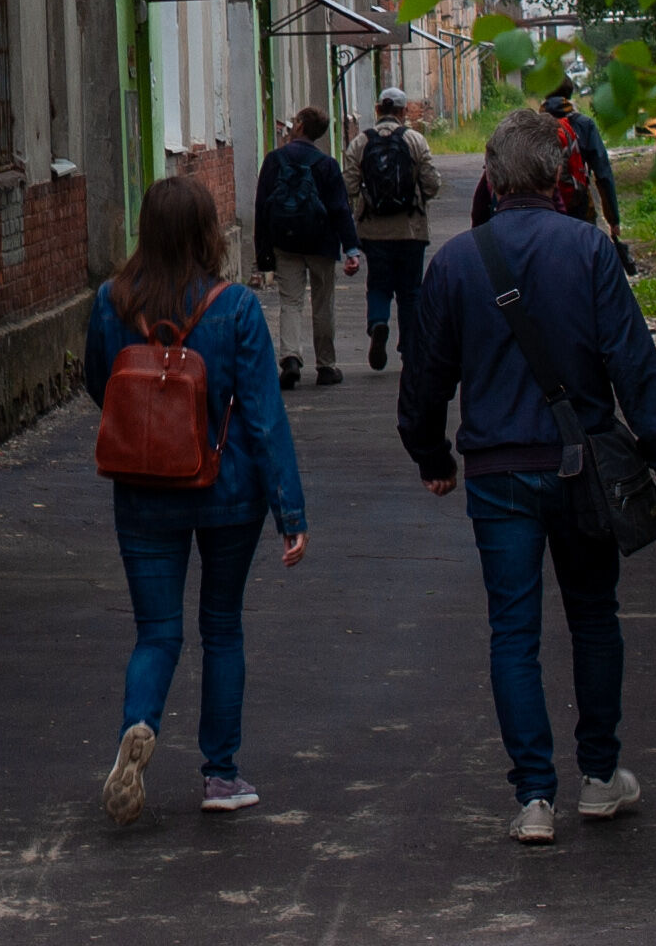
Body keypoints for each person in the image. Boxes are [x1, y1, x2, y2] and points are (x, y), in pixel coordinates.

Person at [401, 106, 656, 846]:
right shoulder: (588, 252)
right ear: (560, 176)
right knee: (594, 618)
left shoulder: (457, 263)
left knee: (513, 631)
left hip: (498, 473)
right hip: (584, 470)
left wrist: (432, 456)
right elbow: (633, 360)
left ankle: (533, 796)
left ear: (492, 178)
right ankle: (598, 777)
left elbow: (426, 376)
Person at [85, 174, 308, 824]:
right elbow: (264, 416)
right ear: (208, 232)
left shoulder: (110, 302)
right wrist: (289, 513)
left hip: (142, 490)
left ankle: (139, 724)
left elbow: (101, 384)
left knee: (156, 632)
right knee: (221, 629)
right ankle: (221, 775)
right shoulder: (234, 307)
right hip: (227, 491)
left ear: (145, 230)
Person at [250, 107, 355, 387]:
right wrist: (352, 249)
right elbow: (340, 209)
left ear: (298, 126)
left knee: (291, 301)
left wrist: (263, 250)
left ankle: (291, 359)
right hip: (322, 243)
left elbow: (262, 207)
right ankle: (326, 366)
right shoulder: (327, 164)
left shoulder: (274, 161)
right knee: (323, 303)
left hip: (285, 242)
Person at [351, 85, 442, 372]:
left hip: (374, 232)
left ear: (378, 109)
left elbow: (349, 184)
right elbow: (432, 183)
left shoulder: (361, 142)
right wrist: (417, 199)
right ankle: (410, 346)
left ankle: (378, 323)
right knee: (410, 290)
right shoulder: (415, 140)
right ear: (403, 111)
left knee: (378, 285)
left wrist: (366, 204)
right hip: (411, 230)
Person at [469, 76, 624, 240]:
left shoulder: (531, 126)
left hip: (540, 205)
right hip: (577, 206)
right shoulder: (584, 125)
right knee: (581, 249)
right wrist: (613, 219)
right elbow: (603, 172)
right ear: (570, 94)